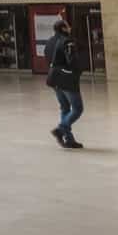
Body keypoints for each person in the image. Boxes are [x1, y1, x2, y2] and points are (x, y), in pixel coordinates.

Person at [42, 19, 85, 149]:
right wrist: (78, 70)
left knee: (65, 108)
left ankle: (68, 139)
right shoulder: (67, 40)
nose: (70, 28)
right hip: (66, 79)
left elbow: (48, 57)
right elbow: (72, 60)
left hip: (55, 79)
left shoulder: (49, 42)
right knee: (77, 108)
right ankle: (60, 129)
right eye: (68, 26)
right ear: (64, 28)